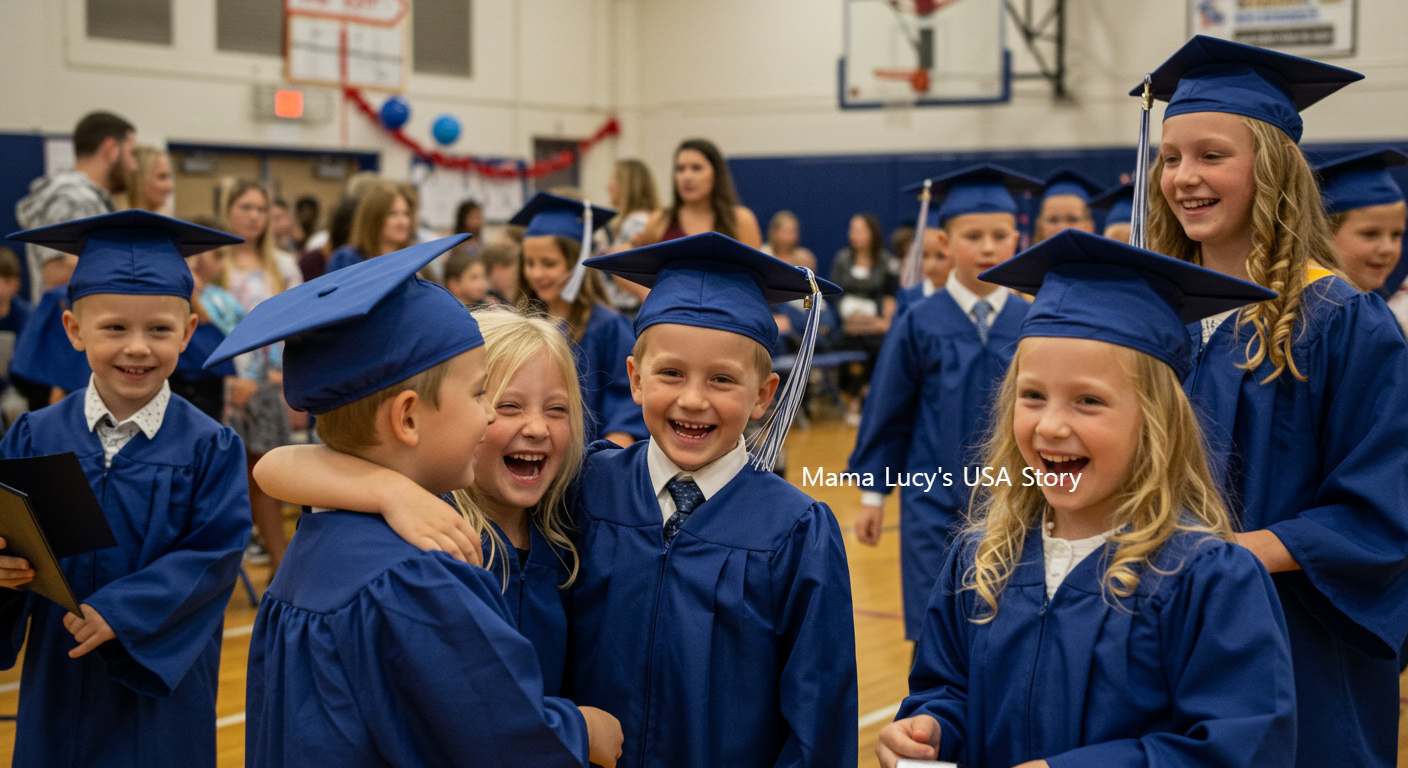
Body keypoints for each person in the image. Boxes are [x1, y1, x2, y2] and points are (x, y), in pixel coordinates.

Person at [878, 229, 1295, 768]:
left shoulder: (1208, 577)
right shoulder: (981, 559)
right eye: (1032, 396)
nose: (1051, 425)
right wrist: (929, 727)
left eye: (1088, 400)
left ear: (1156, 423)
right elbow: (951, 689)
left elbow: (1240, 747)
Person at [205, 237, 621, 768]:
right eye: (481, 397)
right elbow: (501, 740)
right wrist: (582, 731)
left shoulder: (324, 543)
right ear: (406, 418)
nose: (490, 418)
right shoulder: (418, 574)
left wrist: (389, 489)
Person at [1144, 36, 1408, 768]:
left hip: (1295, 639)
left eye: (1211, 155)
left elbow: (1382, 507)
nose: (1184, 178)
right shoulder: (1151, 317)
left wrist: (1223, 557)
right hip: (1158, 627)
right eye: (1170, 158)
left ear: (1272, 166)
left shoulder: (1340, 319)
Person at [569, 232, 856, 768]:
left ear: (764, 395)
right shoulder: (588, 489)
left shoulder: (795, 531)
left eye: (723, 379)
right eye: (670, 373)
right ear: (634, 379)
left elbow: (819, 717)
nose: (693, 399)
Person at [0, 210, 251, 768]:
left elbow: (215, 554)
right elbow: (12, 535)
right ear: (73, 329)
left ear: (187, 334)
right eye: (114, 327)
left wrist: (125, 611)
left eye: (160, 329)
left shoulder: (210, 447)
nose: (137, 347)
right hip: (59, 668)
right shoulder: (35, 436)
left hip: (157, 673)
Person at [247, 307, 589, 697]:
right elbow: (275, 466)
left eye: (557, 410)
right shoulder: (428, 519)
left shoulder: (572, 506)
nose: (537, 427)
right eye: (505, 406)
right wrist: (390, 491)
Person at [849, 165, 1041, 645]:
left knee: (1008, 626)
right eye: (973, 235)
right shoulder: (919, 321)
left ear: (1017, 237)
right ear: (943, 241)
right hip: (929, 501)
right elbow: (890, 412)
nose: (989, 246)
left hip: (1013, 500)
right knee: (934, 630)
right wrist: (874, 497)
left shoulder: (1031, 318)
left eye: (1001, 234)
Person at [512, 192, 646, 446]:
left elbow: (627, 405)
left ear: (577, 264)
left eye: (549, 263)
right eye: (529, 263)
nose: (536, 273)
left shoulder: (606, 327)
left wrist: (611, 461)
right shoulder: (522, 324)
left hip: (590, 462)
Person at [217, 180, 301, 573]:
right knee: (228, 480)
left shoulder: (281, 265)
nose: (253, 216)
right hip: (225, 384)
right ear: (228, 210)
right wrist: (227, 380)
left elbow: (297, 322)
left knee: (267, 477)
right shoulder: (217, 260)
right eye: (245, 207)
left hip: (267, 384)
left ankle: (280, 565)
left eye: (261, 209)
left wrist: (282, 377)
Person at [16, 111, 136, 303]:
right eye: (131, 154)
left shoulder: (88, 199)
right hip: (65, 327)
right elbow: (55, 276)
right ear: (110, 148)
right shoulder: (72, 199)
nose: (133, 166)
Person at [829, 212, 899, 423]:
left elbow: (890, 298)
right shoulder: (842, 260)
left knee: (882, 344)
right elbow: (834, 296)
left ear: (872, 233)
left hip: (876, 326)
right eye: (852, 229)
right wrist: (852, 320)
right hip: (848, 326)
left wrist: (878, 323)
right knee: (847, 343)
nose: (854, 234)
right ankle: (857, 394)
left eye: (860, 229)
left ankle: (864, 395)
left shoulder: (887, 262)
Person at [1313, 148, 1408, 294]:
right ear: (1322, 236)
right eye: (1370, 234)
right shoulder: (1316, 311)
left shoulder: (1379, 307)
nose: (1387, 249)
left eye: (1396, 235)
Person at [640, 138, 763, 248]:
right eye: (680, 169)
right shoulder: (659, 220)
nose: (687, 177)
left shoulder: (740, 220)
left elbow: (756, 271)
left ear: (716, 174)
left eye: (696, 168)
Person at [602, 159, 660, 314]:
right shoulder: (646, 219)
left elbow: (620, 265)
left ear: (626, 185)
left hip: (632, 310)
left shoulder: (636, 221)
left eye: (613, 181)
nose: (608, 187)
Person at [326, 181, 414, 272]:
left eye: (406, 214)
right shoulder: (348, 259)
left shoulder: (414, 259)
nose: (403, 222)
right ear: (373, 219)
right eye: (393, 214)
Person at [893, 211, 953, 317]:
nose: (931, 265)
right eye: (924, 255)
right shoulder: (909, 297)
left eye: (940, 256)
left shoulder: (965, 299)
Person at [1032, 167, 1101, 242]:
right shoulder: (1029, 254)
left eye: (1072, 219)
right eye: (1053, 220)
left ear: (1089, 226)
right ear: (1040, 226)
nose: (1062, 228)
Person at [125, 146, 174, 213]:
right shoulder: (117, 221)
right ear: (140, 179)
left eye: (169, 177)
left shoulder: (156, 221)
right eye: (162, 177)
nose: (170, 187)